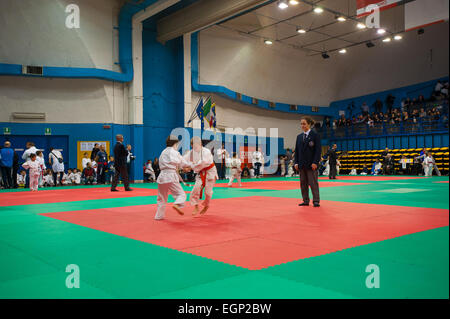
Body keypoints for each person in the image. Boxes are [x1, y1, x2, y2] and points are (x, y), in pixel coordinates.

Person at [154, 135, 193, 220]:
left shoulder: (163, 152)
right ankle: (176, 204)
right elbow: (183, 163)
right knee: (181, 194)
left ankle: (158, 216)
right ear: (175, 143)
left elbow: (173, 164)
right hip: (171, 175)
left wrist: (182, 168)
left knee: (162, 198)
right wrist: (192, 165)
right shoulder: (175, 152)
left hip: (162, 175)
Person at [183, 136, 218, 216]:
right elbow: (183, 160)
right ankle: (196, 206)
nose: (194, 147)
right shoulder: (191, 153)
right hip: (200, 173)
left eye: (196, 145)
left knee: (208, 193)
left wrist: (190, 167)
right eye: (192, 145)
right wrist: (181, 166)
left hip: (210, 172)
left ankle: (206, 205)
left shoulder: (206, 151)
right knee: (194, 190)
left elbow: (203, 163)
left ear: (200, 144)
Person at [294, 117, 322, 207]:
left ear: (309, 124)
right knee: (303, 183)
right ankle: (305, 200)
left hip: (311, 164)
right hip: (301, 164)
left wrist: (315, 162)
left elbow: (318, 150)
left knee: (313, 183)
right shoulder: (299, 137)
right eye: (301, 124)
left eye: (304, 124)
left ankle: (316, 200)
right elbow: (297, 151)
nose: (302, 125)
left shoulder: (315, 135)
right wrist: (296, 162)